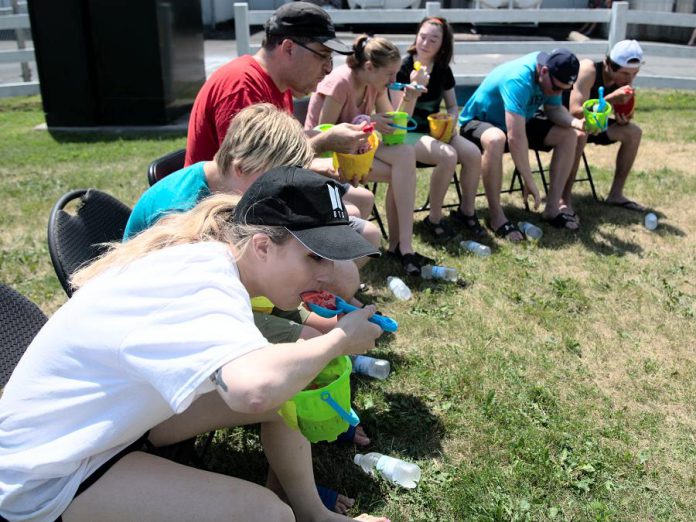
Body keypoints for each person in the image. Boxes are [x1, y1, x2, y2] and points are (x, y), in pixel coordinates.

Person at [0, 167, 389, 522]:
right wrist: (339, 340)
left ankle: (314, 515)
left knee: (286, 394)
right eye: (313, 257)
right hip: (45, 476)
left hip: (103, 428)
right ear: (262, 246)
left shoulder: (215, 264)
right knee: (268, 516)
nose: (325, 274)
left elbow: (266, 382)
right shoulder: (204, 284)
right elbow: (251, 393)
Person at [125, 104, 373, 486]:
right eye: (278, 179)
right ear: (241, 167)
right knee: (302, 350)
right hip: (177, 326)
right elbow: (192, 311)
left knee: (324, 325)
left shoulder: (231, 191)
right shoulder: (181, 217)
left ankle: (318, 429)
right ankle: (291, 480)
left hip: (224, 302)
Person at [184, 1, 379, 244]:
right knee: (363, 229)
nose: (329, 68)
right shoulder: (242, 86)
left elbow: (275, 156)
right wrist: (325, 142)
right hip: (221, 213)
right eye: (323, 56)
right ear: (288, 47)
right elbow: (249, 177)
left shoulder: (280, 83)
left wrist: (323, 160)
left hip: (254, 196)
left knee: (360, 199)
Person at [305, 35, 433, 277]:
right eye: (390, 74)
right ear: (369, 67)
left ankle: (403, 245)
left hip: (357, 149)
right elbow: (325, 134)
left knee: (405, 153)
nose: (394, 80)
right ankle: (400, 247)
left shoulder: (375, 84)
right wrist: (370, 121)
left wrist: (409, 98)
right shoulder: (340, 83)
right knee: (402, 173)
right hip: (329, 156)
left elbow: (395, 127)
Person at [459, 49, 587, 240]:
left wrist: (576, 123)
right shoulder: (519, 79)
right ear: (544, 71)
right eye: (556, 88)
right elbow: (515, 137)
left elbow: (553, 108)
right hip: (479, 121)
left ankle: (552, 208)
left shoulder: (552, 72)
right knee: (496, 139)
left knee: (569, 135)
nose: (558, 93)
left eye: (564, 89)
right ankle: (496, 217)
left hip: (520, 119)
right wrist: (529, 180)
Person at [391, 17, 485, 241]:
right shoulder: (403, 68)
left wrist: (450, 121)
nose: (426, 43)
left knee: (473, 154)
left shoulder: (442, 70)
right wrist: (414, 87)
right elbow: (399, 117)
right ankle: (434, 218)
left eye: (433, 39)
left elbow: (452, 105)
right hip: (409, 133)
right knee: (448, 156)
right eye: (422, 36)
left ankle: (466, 212)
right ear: (416, 36)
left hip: (438, 130)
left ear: (443, 45)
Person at [565, 39, 646, 212]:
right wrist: (610, 99)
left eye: (634, 74)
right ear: (608, 64)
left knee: (633, 132)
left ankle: (616, 195)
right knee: (581, 134)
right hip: (567, 124)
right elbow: (575, 112)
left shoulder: (623, 81)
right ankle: (564, 198)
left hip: (594, 123)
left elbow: (619, 111)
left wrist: (623, 118)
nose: (630, 79)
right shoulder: (588, 70)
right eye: (625, 74)